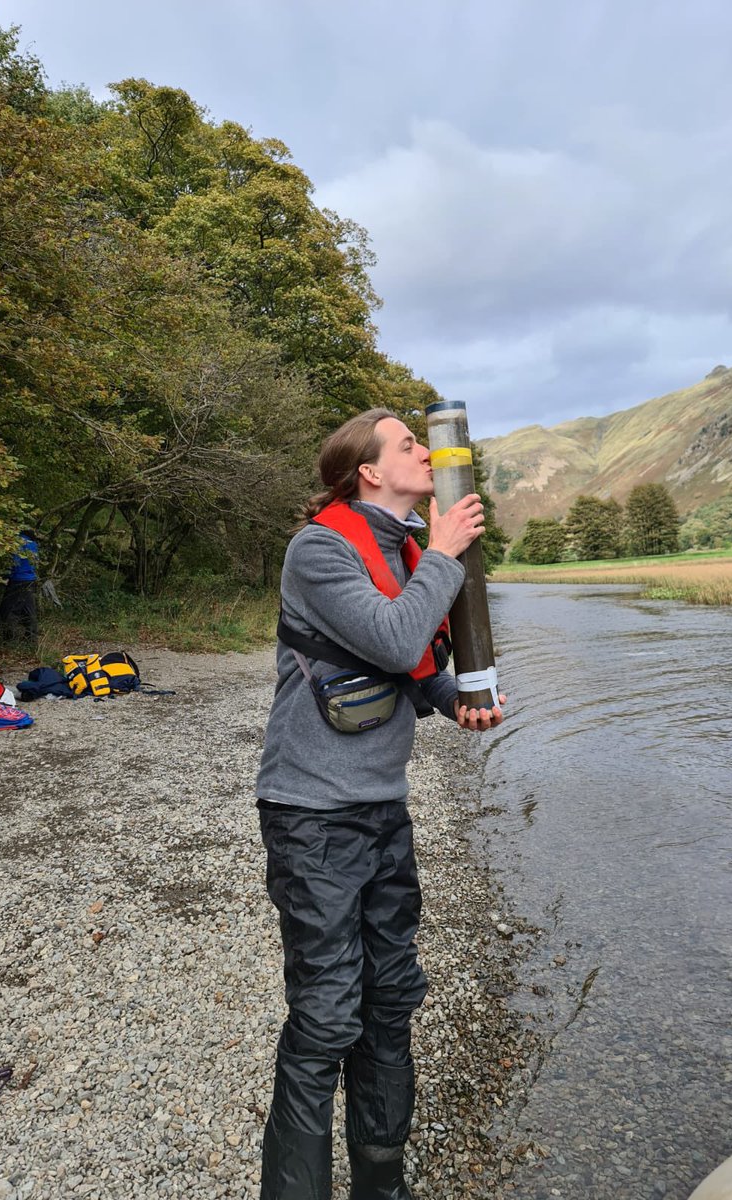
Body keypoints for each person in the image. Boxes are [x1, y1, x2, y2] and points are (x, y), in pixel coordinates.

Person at [255, 408, 504, 1200]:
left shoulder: (401, 549)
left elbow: (411, 665)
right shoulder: (319, 549)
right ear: (367, 469)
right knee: (327, 1016)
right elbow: (393, 638)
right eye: (408, 444)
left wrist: (455, 697)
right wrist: (444, 552)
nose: (427, 452)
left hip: (380, 810)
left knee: (391, 999)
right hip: (311, 814)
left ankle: (381, 1186)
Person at [0, 529, 39, 643]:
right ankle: (31, 638)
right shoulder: (33, 544)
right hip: (30, 580)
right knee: (29, 610)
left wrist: (7, 576)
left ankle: (10, 639)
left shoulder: (16, 543)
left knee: (9, 610)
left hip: (17, 580)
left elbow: (14, 563)